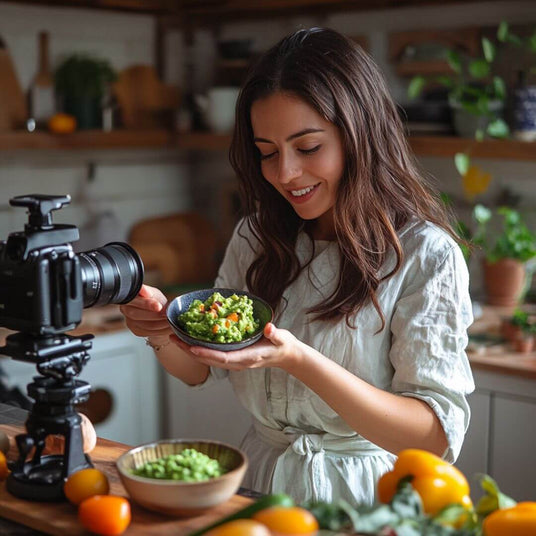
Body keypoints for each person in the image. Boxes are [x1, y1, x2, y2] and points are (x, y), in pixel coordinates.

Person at [120, 27, 475, 506]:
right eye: (267, 152)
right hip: (259, 488)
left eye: (308, 148)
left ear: (359, 136)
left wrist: (298, 359)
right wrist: (161, 329)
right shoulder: (256, 236)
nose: (284, 173)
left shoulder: (426, 255)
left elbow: (434, 438)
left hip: (367, 497)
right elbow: (201, 371)